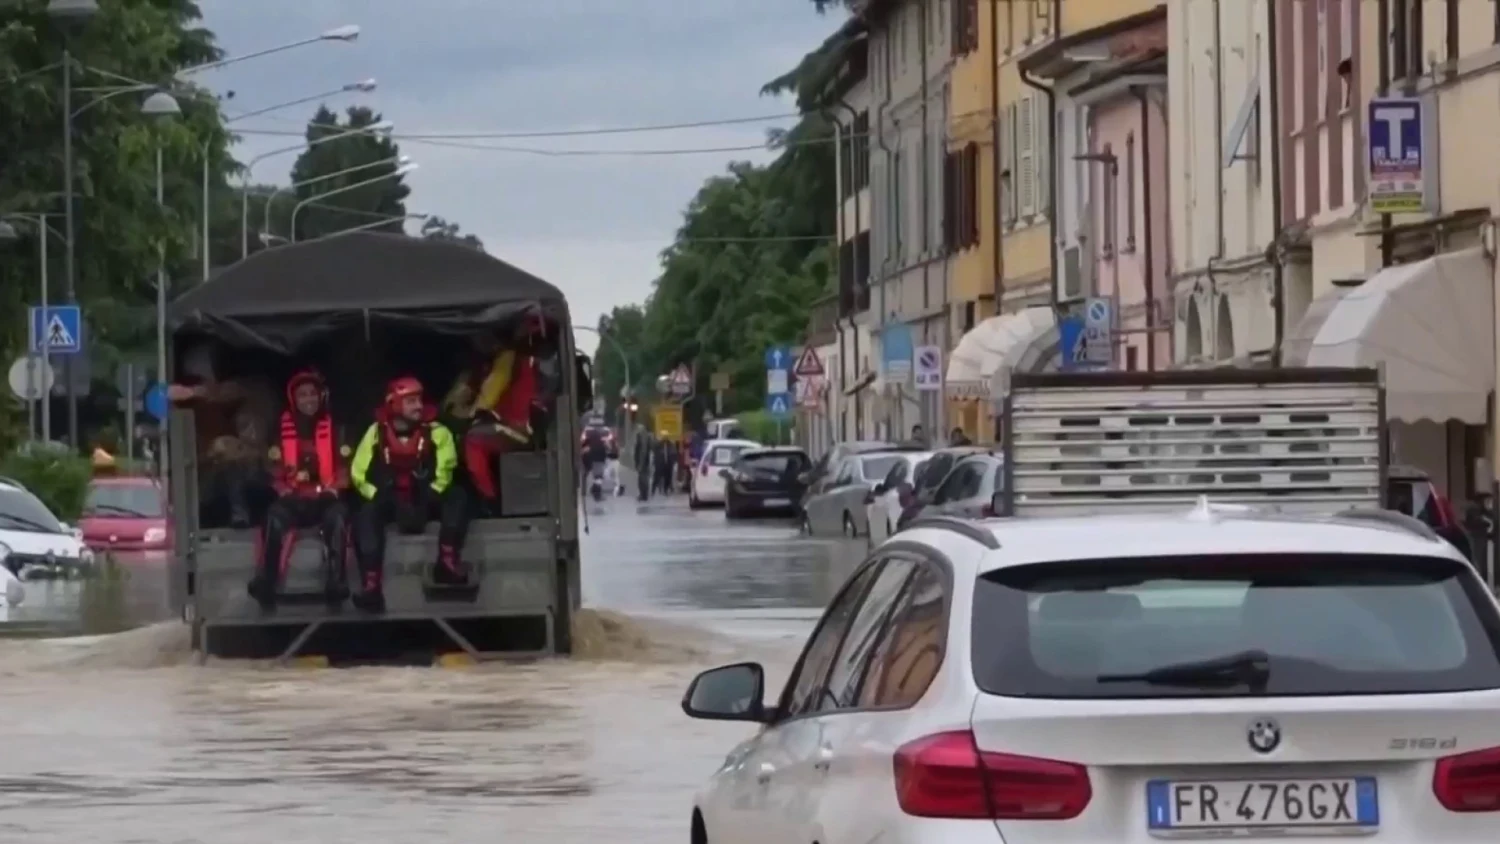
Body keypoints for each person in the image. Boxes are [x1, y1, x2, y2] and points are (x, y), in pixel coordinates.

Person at [350, 376, 467, 612]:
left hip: (426, 498)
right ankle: (371, 586)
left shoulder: (437, 431)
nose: (418, 406)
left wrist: (433, 492)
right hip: (390, 501)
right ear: (394, 405)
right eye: (411, 401)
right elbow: (357, 472)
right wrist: (376, 495)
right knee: (366, 514)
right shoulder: (375, 432)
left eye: (419, 400)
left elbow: (447, 466)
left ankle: (446, 562)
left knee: (458, 497)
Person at [251, 369, 352, 610]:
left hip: (326, 497)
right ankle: (266, 581)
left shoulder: (338, 429)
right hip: (294, 498)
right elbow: (272, 466)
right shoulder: (279, 431)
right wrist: (282, 487)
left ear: (321, 397)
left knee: (338, 517)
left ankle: (336, 584)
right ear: (294, 400)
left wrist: (336, 487)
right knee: (274, 517)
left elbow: (346, 467)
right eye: (303, 395)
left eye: (312, 394)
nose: (309, 400)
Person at [168, 343, 278, 527]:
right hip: (205, 482)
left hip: (248, 473)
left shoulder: (248, 401)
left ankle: (240, 514)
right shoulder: (188, 414)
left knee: (233, 466)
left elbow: (233, 391)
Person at [444, 317, 549, 510]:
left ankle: (489, 501)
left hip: (520, 428)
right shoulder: (484, 366)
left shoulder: (510, 359)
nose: (481, 343)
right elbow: (458, 398)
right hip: (503, 425)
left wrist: (474, 413)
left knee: (473, 441)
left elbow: (492, 391)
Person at [633, 425, 655, 501]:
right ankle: (643, 494)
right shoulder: (645, 436)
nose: (637, 430)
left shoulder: (642, 438)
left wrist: (640, 464)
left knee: (642, 479)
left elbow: (643, 451)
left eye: (638, 429)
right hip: (644, 461)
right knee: (643, 478)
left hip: (643, 462)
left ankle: (643, 495)